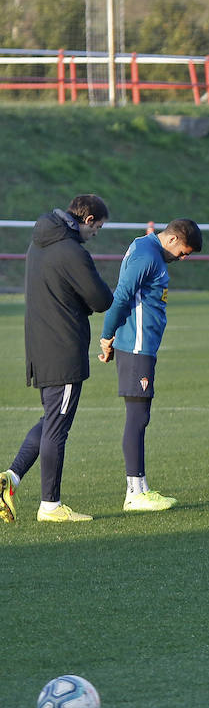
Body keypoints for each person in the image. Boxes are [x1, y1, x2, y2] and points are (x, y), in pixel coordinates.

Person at [0, 195, 113, 523]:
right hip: (63, 348)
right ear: (88, 220)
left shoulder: (38, 243)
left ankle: (11, 477)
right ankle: (50, 505)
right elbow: (101, 298)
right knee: (57, 427)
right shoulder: (72, 251)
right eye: (98, 228)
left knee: (51, 418)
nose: (96, 235)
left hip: (41, 346)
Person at [97, 216, 202, 513]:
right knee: (137, 417)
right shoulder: (146, 256)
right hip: (137, 345)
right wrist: (107, 336)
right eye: (183, 252)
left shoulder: (145, 248)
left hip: (140, 345)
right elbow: (121, 297)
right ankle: (134, 492)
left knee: (141, 416)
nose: (182, 258)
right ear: (171, 240)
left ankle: (140, 486)